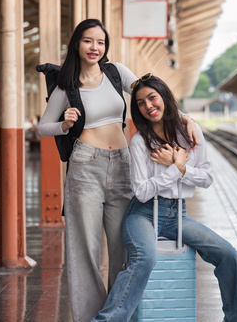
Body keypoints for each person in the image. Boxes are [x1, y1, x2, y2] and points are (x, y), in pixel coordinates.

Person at [37, 19, 198, 322]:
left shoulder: (116, 73)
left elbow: (152, 96)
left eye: (100, 42)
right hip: (85, 166)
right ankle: (89, 318)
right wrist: (64, 124)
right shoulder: (66, 86)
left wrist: (183, 116)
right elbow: (43, 126)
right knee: (84, 248)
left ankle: (116, 315)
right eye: (88, 41)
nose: (94, 47)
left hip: (123, 164)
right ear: (77, 44)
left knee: (123, 245)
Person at [92, 74, 237, 322]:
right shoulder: (139, 142)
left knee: (228, 254)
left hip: (178, 214)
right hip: (142, 214)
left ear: (164, 96)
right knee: (145, 257)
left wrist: (182, 169)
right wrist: (174, 169)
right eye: (141, 103)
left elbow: (207, 178)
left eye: (152, 98)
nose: (148, 106)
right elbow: (142, 191)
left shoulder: (190, 132)